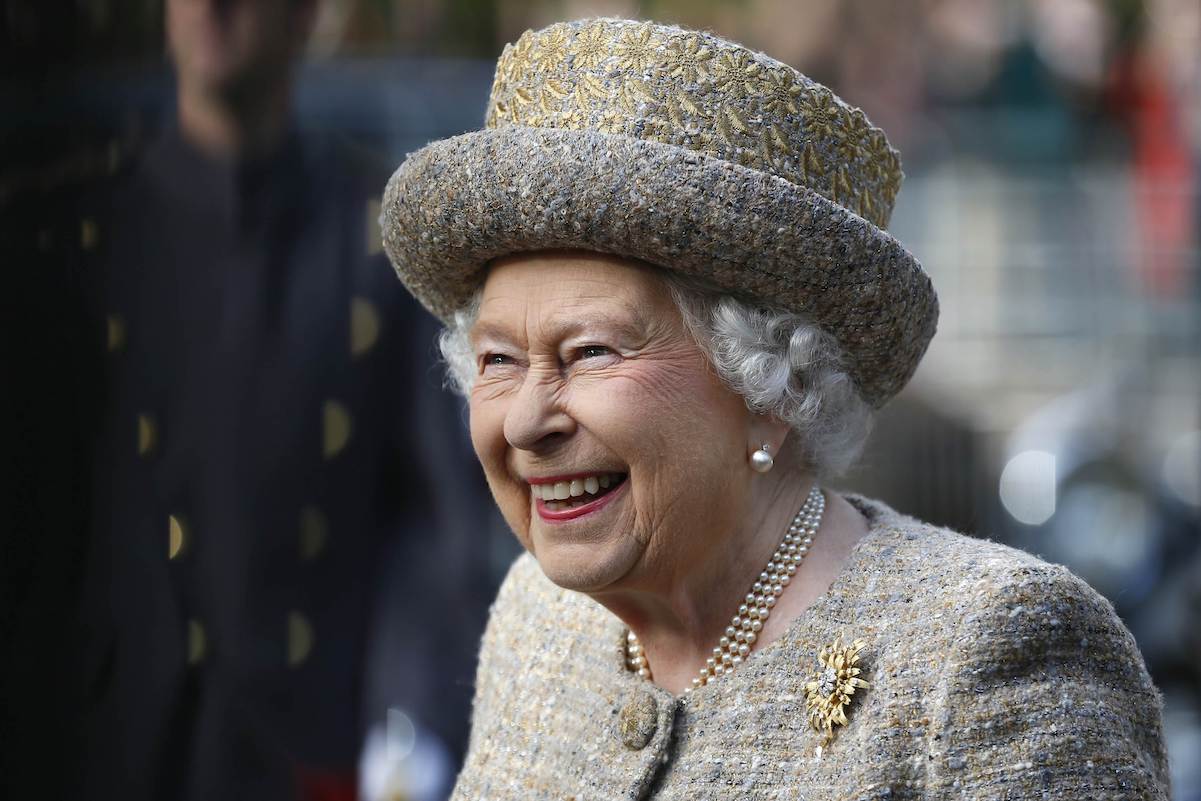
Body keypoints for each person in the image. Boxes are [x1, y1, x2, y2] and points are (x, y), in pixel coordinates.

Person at [377, 18, 1172, 800]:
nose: (523, 421)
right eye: (498, 360)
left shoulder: (986, 657)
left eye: (589, 351)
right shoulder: (537, 620)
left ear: (770, 389)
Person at [1, 1, 493, 799]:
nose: (213, 7)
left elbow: (439, 527)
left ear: (304, 15)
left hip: (316, 754)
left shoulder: (377, 247)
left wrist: (409, 728)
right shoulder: (66, 246)